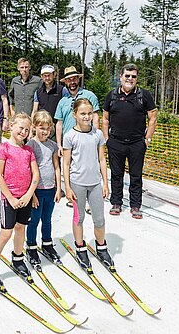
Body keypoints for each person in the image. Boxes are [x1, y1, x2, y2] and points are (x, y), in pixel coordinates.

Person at [0, 113, 40, 288]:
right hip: (9, 199)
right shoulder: (4, 148)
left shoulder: (28, 150)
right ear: (12, 126)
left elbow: (35, 174)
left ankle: (18, 258)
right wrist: (11, 198)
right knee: (6, 233)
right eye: (21, 128)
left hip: (25, 198)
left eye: (27, 129)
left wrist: (29, 195)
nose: (23, 132)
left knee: (21, 228)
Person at [62, 98, 113, 270]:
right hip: (77, 184)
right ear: (75, 114)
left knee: (99, 218)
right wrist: (67, 187)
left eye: (89, 113)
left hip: (95, 184)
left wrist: (105, 183)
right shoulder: (70, 136)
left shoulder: (97, 134)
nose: (87, 116)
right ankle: (80, 247)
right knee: (79, 218)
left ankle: (101, 247)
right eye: (83, 113)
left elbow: (101, 158)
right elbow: (67, 163)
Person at [102, 63, 157, 219]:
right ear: (121, 77)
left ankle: (135, 205)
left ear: (136, 78)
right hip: (116, 142)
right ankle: (116, 203)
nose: (130, 79)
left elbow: (152, 118)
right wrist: (107, 139)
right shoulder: (111, 95)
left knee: (136, 175)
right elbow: (105, 119)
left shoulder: (144, 95)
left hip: (137, 143)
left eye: (133, 76)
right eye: (127, 75)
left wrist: (148, 139)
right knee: (116, 174)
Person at [54, 65, 99, 209]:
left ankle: (89, 200)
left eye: (74, 79)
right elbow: (59, 123)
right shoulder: (63, 101)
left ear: (78, 79)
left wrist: (96, 138)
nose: (72, 82)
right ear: (65, 82)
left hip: (86, 139)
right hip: (69, 142)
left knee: (87, 168)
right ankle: (73, 196)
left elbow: (96, 117)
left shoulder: (89, 95)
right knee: (70, 169)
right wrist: (59, 144)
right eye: (69, 80)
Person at [25, 110, 62, 266]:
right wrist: (31, 193)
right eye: (41, 128)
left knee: (47, 219)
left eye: (47, 128)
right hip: (37, 191)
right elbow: (27, 170)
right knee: (34, 220)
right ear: (34, 127)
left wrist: (59, 188)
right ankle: (31, 247)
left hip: (50, 189)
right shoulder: (31, 145)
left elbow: (56, 167)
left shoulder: (52, 145)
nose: (45, 132)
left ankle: (47, 244)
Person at [31, 64, 70, 134]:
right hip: (42, 128)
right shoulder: (38, 92)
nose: (47, 78)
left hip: (57, 128)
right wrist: (32, 126)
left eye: (49, 75)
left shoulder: (62, 90)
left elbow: (68, 110)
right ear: (41, 77)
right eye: (45, 76)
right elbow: (35, 110)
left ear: (54, 75)